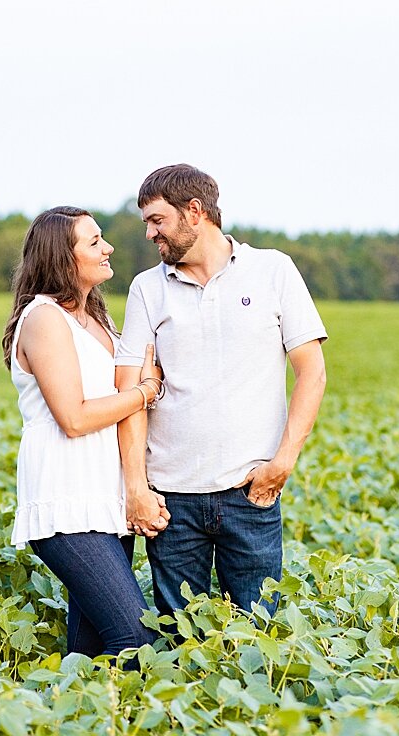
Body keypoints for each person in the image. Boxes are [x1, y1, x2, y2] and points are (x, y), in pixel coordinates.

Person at [114, 164, 328, 618]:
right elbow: (129, 389)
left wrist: (283, 461)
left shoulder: (273, 270)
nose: (151, 234)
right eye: (147, 223)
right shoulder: (147, 288)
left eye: (158, 220)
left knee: (259, 635)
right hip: (170, 501)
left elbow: (312, 372)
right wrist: (137, 487)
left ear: (194, 212)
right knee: (179, 637)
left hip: (250, 491)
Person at [2, 206, 165, 658]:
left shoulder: (96, 318)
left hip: (105, 499)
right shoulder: (44, 319)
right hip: (66, 499)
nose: (108, 246)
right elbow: (72, 418)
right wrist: (146, 391)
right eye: (94, 241)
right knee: (134, 639)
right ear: (62, 257)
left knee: (91, 648)